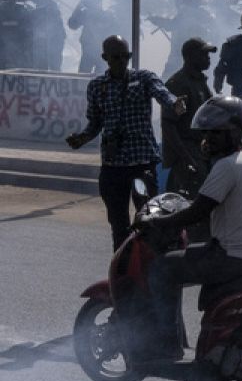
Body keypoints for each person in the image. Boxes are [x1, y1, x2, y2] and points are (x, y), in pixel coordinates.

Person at [137, 95, 242, 361]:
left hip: (235, 256)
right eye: (207, 132)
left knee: (162, 268)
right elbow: (219, 201)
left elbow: (198, 212)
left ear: (238, 131)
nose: (210, 139)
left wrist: (156, 222)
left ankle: (166, 345)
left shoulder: (228, 166)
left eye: (218, 133)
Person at [64, 35, 188, 248]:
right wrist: (81, 139)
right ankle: (122, 267)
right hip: (114, 166)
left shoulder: (143, 78)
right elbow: (95, 123)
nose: (122, 61)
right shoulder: (97, 86)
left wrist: (174, 103)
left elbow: (162, 93)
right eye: (116, 57)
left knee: (149, 218)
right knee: (118, 222)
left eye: (126, 56)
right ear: (105, 58)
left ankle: (151, 266)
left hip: (142, 163)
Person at [162, 38, 217, 197]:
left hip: (201, 151)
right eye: (204, 54)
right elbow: (169, 125)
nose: (208, 59)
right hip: (188, 153)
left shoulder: (200, 81)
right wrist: (186, 159)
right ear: (191, 56)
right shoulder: (178, 84)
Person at [149, 0, 216, 77]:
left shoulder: (187, 12)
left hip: (179, 57)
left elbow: (172, 25)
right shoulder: (204, 14)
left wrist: (156, 20)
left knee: (167, 83)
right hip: (198, 58)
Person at [68, 0, 115, 74]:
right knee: (82, 77)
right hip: (87, 52)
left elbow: (102, 27)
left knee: (101, 78)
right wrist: (78, 8)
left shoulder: (106, 15)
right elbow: (72, 24)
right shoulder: (86, 14)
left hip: (102, 54)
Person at [28, 0, 65, 71]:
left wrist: (30, 12)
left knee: (54, 67)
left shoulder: (51, 6)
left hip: (53, 40)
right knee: (41, 67)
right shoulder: (40, 6)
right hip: (44, 41)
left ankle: (55, 83)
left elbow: (50, 24)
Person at [0, 0, 36, 69]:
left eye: (9, 0)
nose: (6, 3)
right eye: (4, 0)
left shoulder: (23, 11)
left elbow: (29, 34)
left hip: (19, 52)